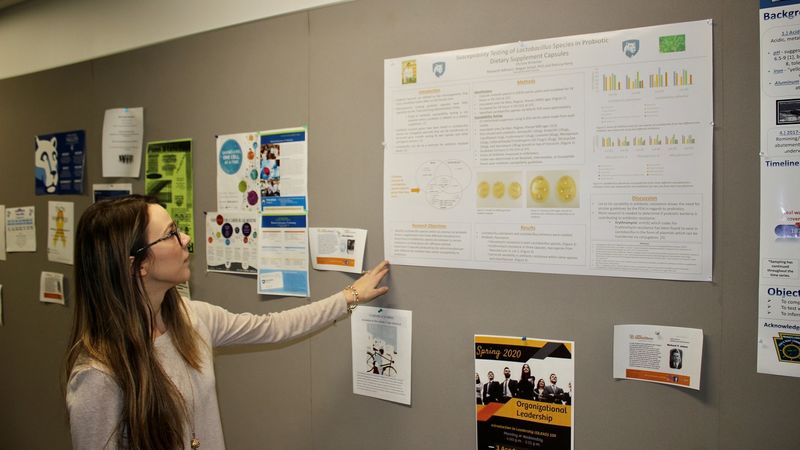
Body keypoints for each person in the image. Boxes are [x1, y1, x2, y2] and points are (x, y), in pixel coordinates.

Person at [64, 195, 390, 450]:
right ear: (138, 265)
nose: (186, 238)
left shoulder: (192, 319)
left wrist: (348, 296)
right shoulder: (98, 376)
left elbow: (273, 326)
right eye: (171, 234)